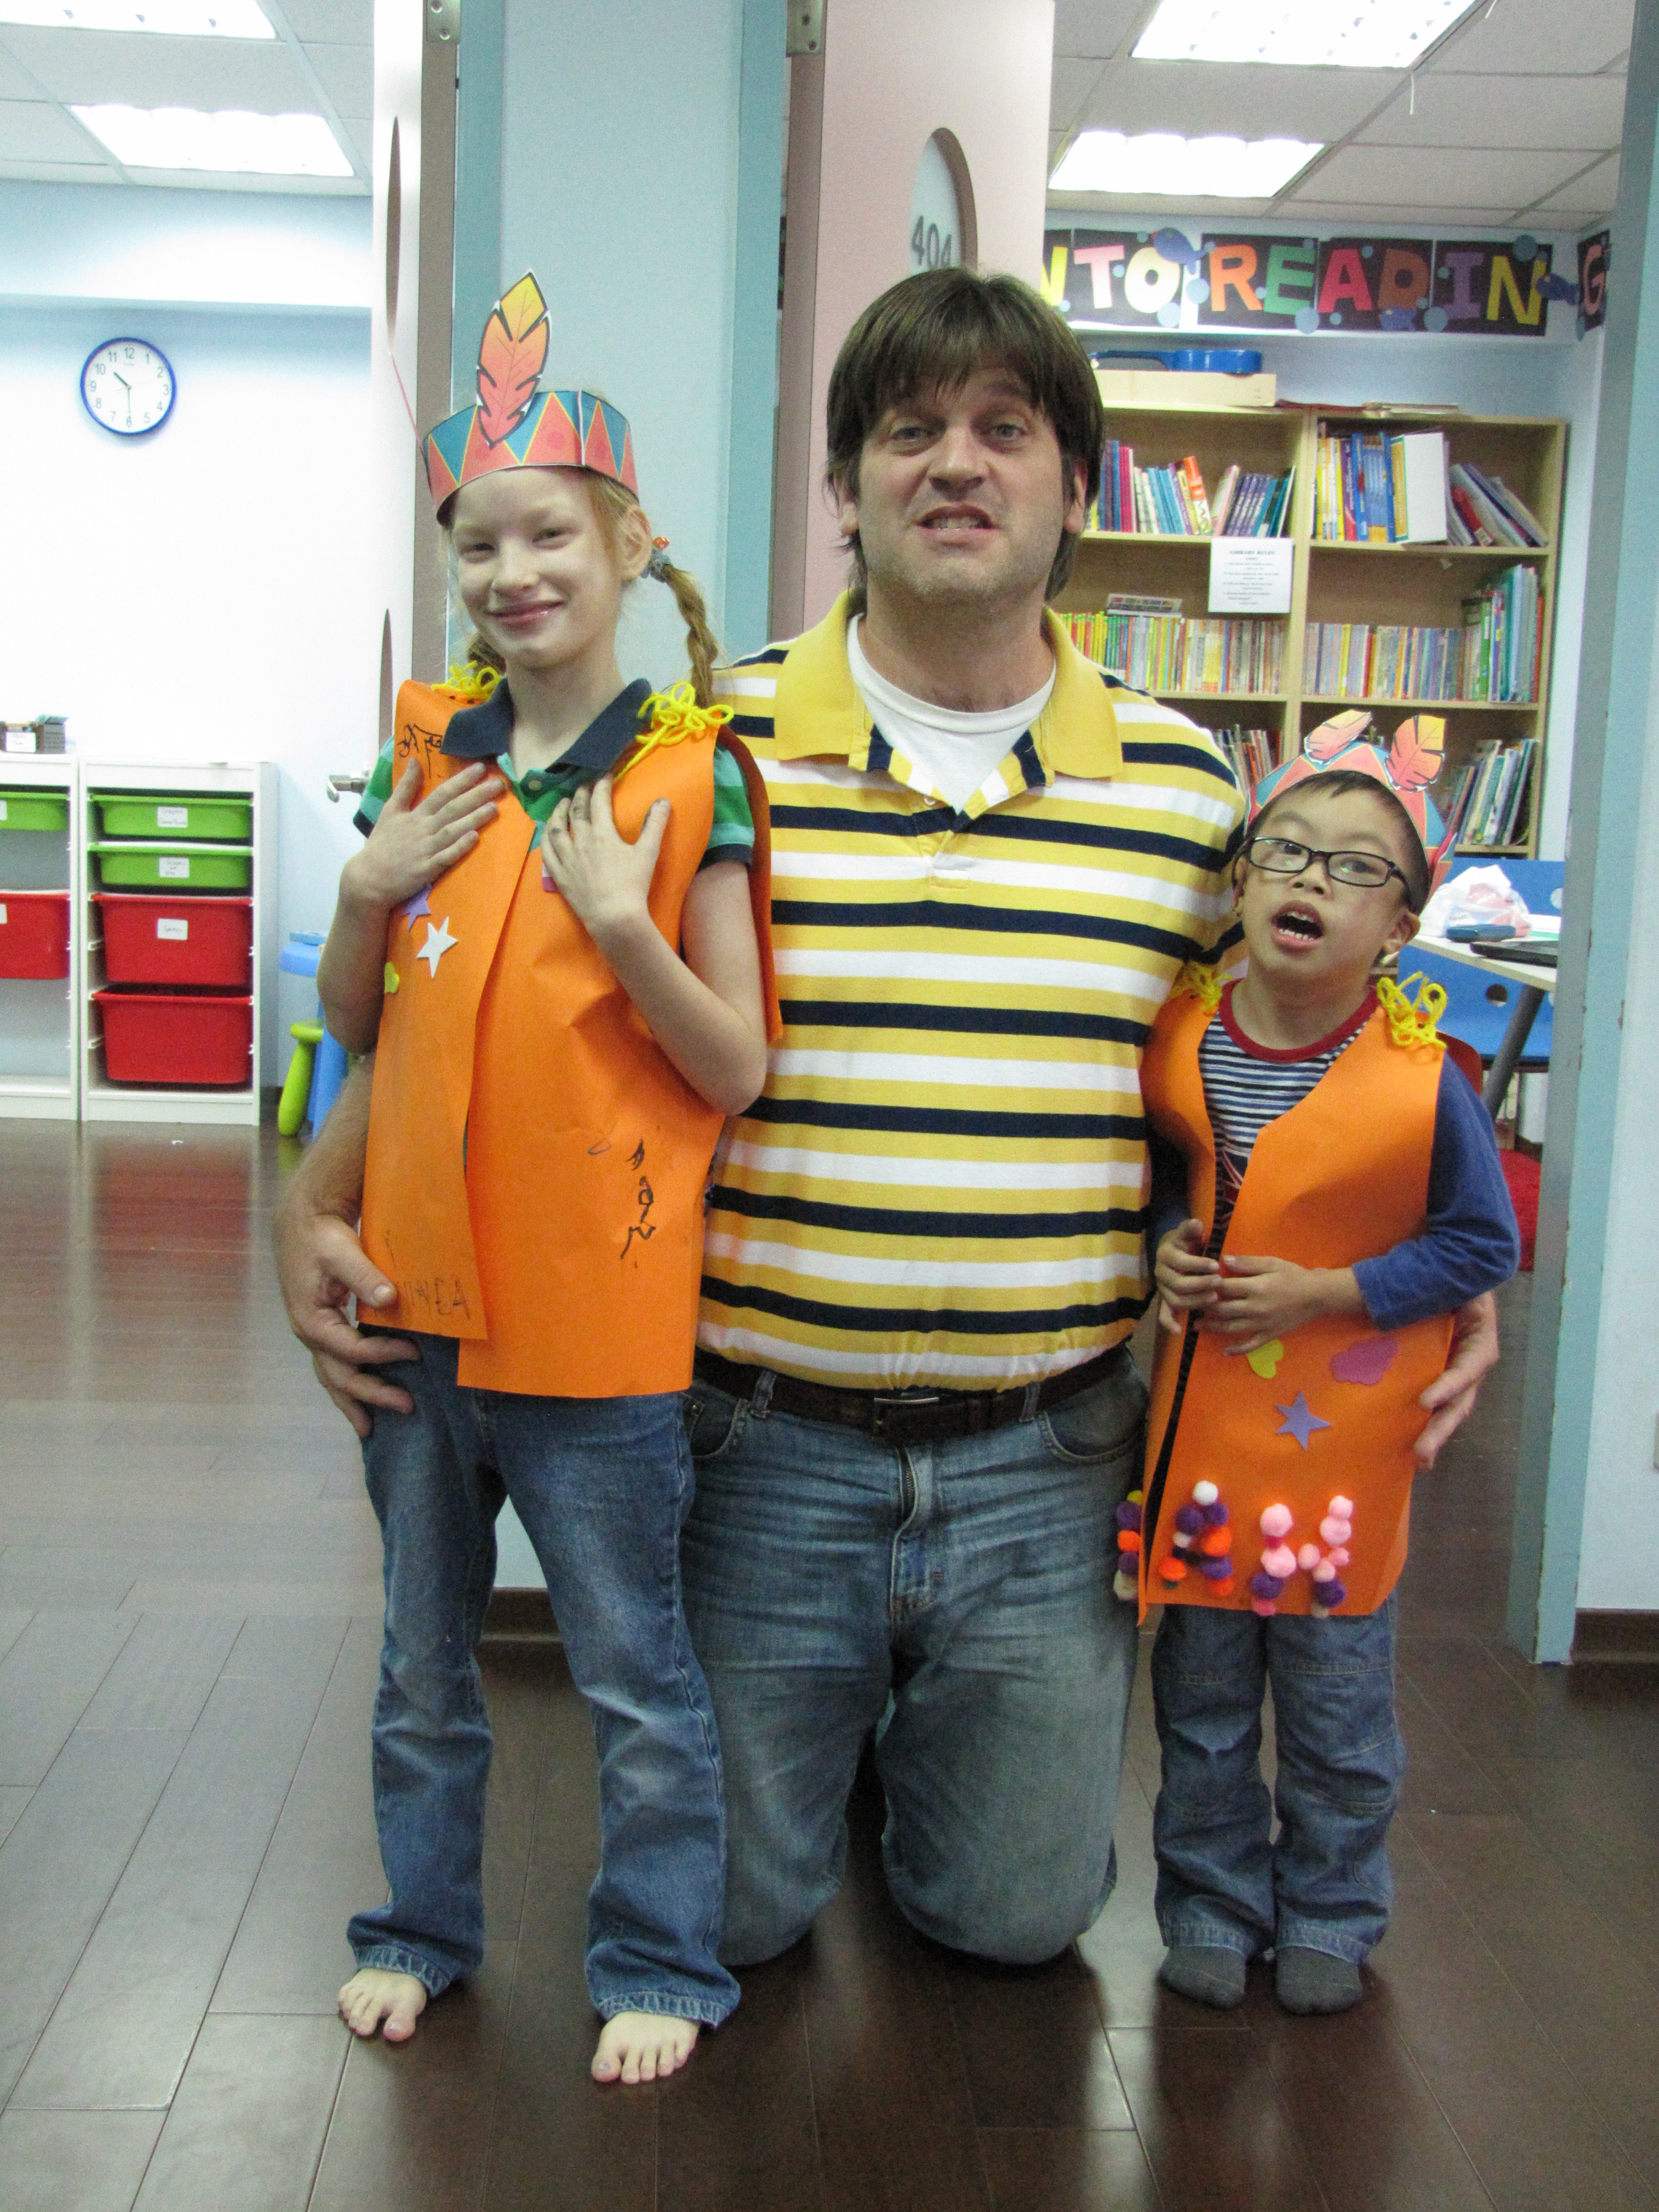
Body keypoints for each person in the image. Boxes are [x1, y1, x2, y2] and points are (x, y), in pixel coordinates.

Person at [275, 267, 1501, 1977]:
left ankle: (903, 1734)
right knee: (734, 1918)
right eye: (910, 429)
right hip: (756, 1438)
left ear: (1077, 485)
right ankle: (825, 1733)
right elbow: (463, 995)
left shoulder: (1189, 794)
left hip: (1047, 1455)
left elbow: (1284, 1065)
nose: (958, 463)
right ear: (845, 486)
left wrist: (1436, 1274)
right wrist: (308, 1202)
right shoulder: (702, 742)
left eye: (1007, 429)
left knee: (1015, 1921)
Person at [317, 272, 775, 2085]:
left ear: (629, 544)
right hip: (417, 1306)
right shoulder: (426, 756)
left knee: (636, 1677)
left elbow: (733, 1066)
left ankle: (659, 1957)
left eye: (549, 535)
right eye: (479, 544)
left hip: (599, 1328)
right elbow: (357, 1022)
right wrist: (364, 891)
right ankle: (418, 1931)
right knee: (422, 1664)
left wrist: (621, 923)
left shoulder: (688, 777)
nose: (512, 573)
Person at [1131, 714, 1519, 2017]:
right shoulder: (1179, 1037)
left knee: (1339, 1712)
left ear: (1401, 922)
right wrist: (1163, 1246)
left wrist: (1333, 1291)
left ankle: (1333, 1911)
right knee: (1200, 1703)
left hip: (1342, 1457)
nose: (1312, 879)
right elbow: (1150, 1183)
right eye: (1289, 850)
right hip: (1198, 1442)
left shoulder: (1425, 1078)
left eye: (1357, 866)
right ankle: (1208, 1901)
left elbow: (1482, 1240)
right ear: (1242, 878)